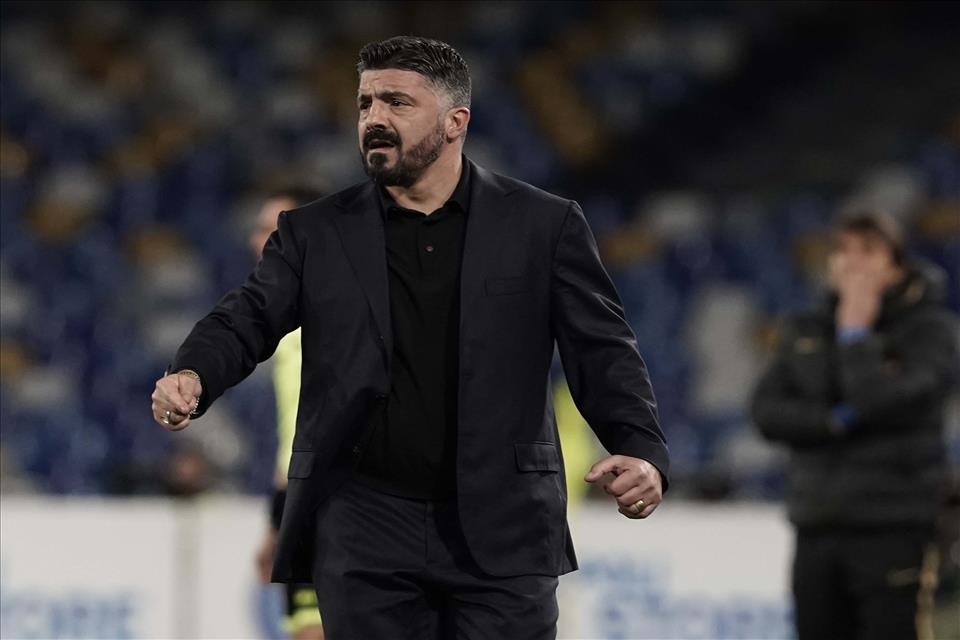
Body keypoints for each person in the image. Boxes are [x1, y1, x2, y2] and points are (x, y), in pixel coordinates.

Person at [150, 35, 669, 639]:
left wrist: (640, 447)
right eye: (366, 103)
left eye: (397, 102)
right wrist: (194, 372)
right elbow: (246, 317)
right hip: (365, 527)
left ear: (455, 122)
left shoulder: (542, 225)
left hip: (503, 522)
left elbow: (601, 349)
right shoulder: (315, 233)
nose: (374, 118)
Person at [751, 212, 959, 640]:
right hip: (816, 523)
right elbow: (766, 412)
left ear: (896, 266)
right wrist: (833, 421)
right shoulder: (805, 328)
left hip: (894, 523)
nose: (852, 262)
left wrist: (854, 333)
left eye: (868, 250)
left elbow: (881, 400)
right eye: (842, 250)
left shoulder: (931, 331)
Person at [249, 187, 325, 640]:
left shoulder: (333, 319)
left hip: (334, 508)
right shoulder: (290, 319)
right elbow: (293, 437)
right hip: (304, 506)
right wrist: (278, 524)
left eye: (269, 228)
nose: (255, 240)